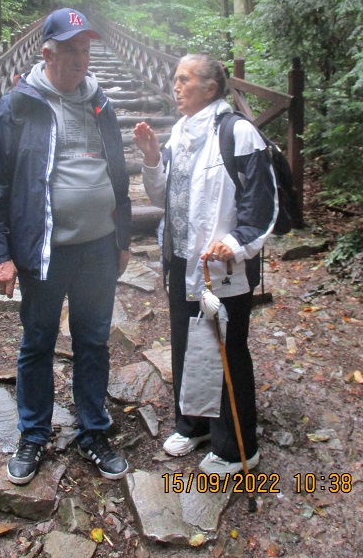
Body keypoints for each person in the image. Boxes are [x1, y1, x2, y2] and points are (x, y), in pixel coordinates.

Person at [0, 7, 131, 484]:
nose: (80, 58)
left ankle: (93, 431)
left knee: (93, 342)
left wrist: (123, 237)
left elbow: (119, 174)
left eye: (85, 49)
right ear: (47, 53)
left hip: (99, 247)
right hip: (44, 249)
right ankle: (33, 435)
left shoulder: (101, 102)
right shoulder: (18, 105)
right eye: (70, 50)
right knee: (38, 342)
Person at [132, 54, 278, 477]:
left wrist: (234, 243)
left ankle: (236, 449)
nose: (175, 86)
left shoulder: (239, 133)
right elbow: (163, 197)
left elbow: (261, 202)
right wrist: (152, 157)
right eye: (175, 79)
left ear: (210, 87)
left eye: (184, 79)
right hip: (182, 260)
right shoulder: (181, 132)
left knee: (225, 348)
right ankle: (193, 425)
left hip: (224, 267)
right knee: (186, 342)